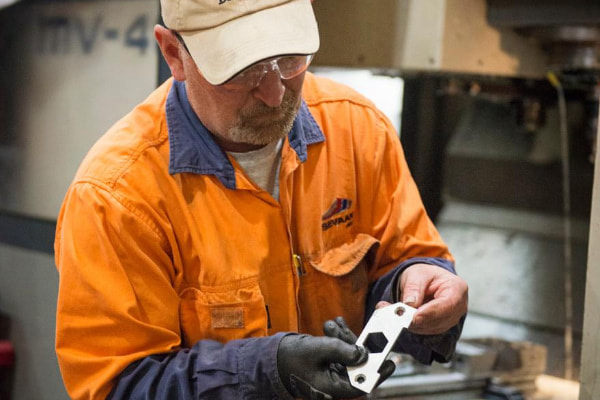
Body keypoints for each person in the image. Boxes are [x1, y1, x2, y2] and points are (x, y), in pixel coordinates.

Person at [54, 0, 468, 399]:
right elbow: (118, 387)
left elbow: (402, 256)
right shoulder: (116, 198)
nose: (274, 93)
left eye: (289, 59)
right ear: (173, 53)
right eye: (243, 68)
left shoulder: (358, 129)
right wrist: (267, 371)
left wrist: (417, 284)